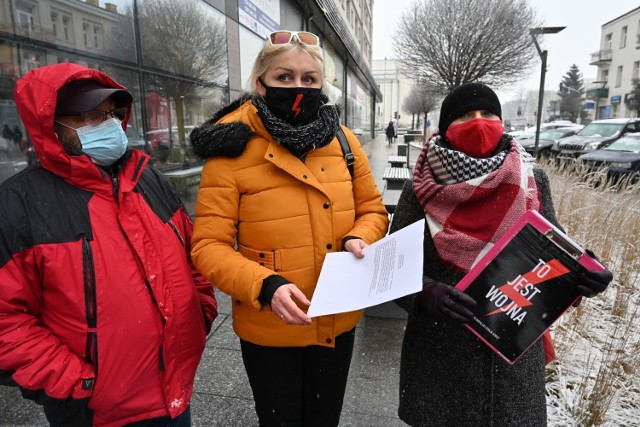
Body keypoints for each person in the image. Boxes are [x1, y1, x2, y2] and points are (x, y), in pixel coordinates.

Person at [0, 62, 218, 426]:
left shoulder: (148, 179)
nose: (110, 125)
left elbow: (192, 256)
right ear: (51, 123)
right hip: (96, 411)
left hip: (176, 390)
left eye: (112, 114)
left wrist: (201, 312)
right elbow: (6, 321)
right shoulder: (18, 205)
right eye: (89, 116)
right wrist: (76, 382)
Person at [189, 30, 389, 426]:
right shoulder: (231, 150)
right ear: (259, 83)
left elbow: (373, 211)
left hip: (337, 317)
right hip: (270, 326)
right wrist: (265, 284)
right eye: (284, 77)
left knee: (323, 418)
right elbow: (207, 246)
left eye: (309, 79)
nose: (298, 87)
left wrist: (358, 237)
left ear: (321, 85)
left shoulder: (344, 141)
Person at [389, 82, 613, 426]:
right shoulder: (420, 187)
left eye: (488, 113)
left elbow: (552, 249)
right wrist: (424, 293)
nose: (479, 123)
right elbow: (393, 269)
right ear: (446, 128)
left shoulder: (531, 179)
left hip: (512, 353)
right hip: (439, 352)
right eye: (465, 115)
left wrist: (581, 274)